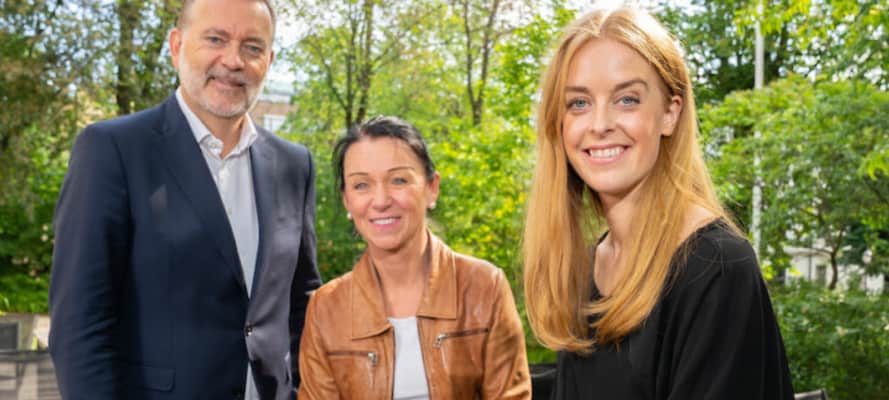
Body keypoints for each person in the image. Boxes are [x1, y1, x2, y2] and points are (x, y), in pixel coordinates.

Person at [48, 0, 321, 398]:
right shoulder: (113, 149)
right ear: (176, 46)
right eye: (216, 39)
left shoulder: (294, 165)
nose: (233, 60)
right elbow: (79, 325)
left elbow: (302, 304)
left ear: (269, 60)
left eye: (252, 47)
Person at [522, 7, 794, 400]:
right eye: (579, 103)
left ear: (670, 112)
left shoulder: (716, 266)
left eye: (626, 99)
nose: (599, 124)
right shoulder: (585, 267)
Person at [297, 116, 531, 399]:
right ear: (347, 200)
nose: (381, 201)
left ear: (432, 187)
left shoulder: (484, 287)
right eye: (361, 185)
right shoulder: (326, 308)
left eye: (398, 180)